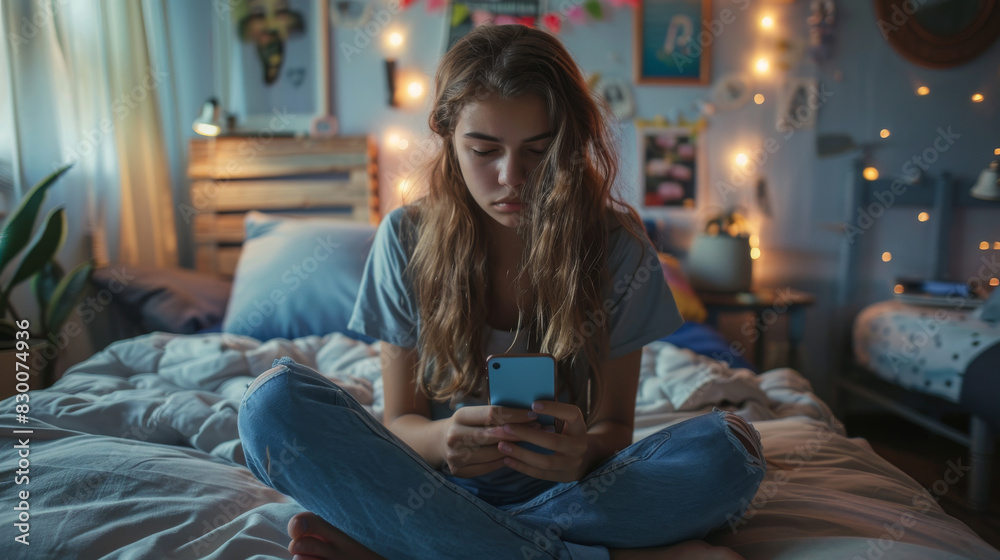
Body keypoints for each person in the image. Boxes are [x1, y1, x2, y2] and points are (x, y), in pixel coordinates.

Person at [238, 24, 764, 560]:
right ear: (448, 136)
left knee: (730, 453)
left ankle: (418, 546)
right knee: (270, 407)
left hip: (573, 492)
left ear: (570, 144)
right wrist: (444, 440)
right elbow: (400, 423)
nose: (512, 177)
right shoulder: (404, 238)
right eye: (484, 150)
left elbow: (614, 428)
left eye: (539, 151)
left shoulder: (618, 248)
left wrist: (581, 453)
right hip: (436, 485)